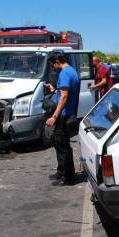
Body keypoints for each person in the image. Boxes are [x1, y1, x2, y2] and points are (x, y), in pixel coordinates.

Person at [45, 53, 80, 186]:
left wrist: (54, 116)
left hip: (64, 115)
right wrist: (54, 89)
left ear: (58, 61)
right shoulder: (72, 72)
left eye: (53, 65)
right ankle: (61, 172)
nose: (53, 68)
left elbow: (64, 97)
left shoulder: (65, 73)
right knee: (60, 145)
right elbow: (64, 93)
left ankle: (68, 178)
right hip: (68, 114)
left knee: (63, 147)